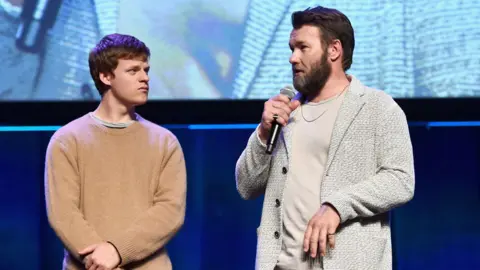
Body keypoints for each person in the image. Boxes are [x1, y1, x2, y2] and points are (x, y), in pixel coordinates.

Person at [235, 6, 414, 270]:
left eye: (303, 48)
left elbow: (401, 180)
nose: (292, 58)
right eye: (291, 48)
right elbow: (246, 186)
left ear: (334, 50)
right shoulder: (285, 114)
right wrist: (262, 133)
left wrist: (337, 206)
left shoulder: (377, 108)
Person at [44, 33, 187, 270]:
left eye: (146, 70)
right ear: (106, 76)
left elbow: (169, 212)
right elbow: (64, 214)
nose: (145, 78)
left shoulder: (165, 142)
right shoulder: (67, 140)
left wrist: (118, 252)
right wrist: (100, 261)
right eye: (133, 71)